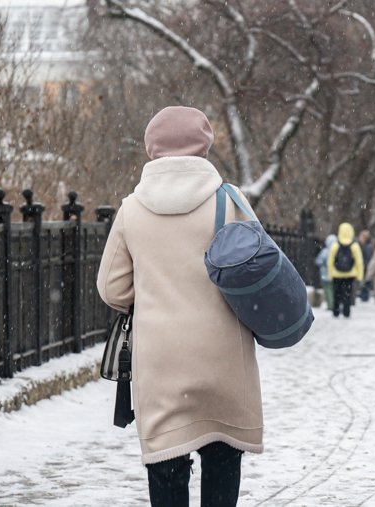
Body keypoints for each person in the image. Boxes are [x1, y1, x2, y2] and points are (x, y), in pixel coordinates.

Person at [96, 106, 263, 507]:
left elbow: (111, 289)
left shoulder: (132, 209)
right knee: (223, 455)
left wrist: (154, 289)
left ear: (151, 148)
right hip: (223, 354)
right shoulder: (231, 199)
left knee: (167, 462)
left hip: (161, 361)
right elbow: (259, 268)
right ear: (203, 146)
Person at [327, 222, 365, 318]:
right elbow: (359, 261)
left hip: (336, 274)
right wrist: (360, 275)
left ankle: (336, 311)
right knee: (347, 294)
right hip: (350, 274)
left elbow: (330, 260)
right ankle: (346, 311)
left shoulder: (335, 245)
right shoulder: (354, 246)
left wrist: (330, 273)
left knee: (337, 293)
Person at [316, 234, 337, 311]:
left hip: (324, 275)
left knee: (327, 291)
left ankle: (330, 305)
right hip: (334, 274)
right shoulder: (336, 250)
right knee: (333, 290)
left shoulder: (325, 251)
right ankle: (334, 304)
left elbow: (318, 261)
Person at [357, 229, 374, 302]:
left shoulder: (367, 247)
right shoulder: (363, 246)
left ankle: (364, 297)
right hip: (364, 267)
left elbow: (368, 259)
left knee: (365, 283)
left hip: (366, 268)